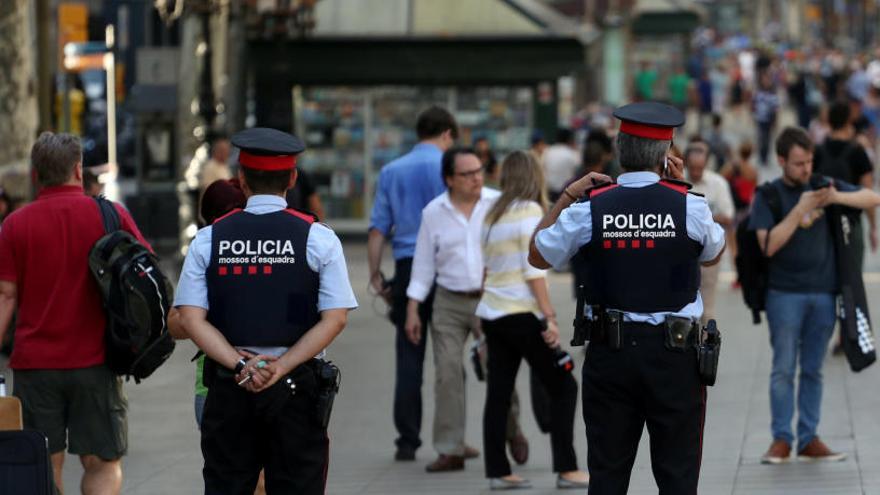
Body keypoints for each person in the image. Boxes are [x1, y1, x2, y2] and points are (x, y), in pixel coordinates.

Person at [529, 102, 726, 494]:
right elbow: (713, 254)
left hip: (610, 355)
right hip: (674, 356)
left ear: (620, 151)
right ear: (667, 154)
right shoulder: (690, 206)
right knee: (678, 475)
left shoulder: (590, 207)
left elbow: (538, 254)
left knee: (608, 474)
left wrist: (568, 194)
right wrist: (680, 189)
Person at [175, 127, 357, 494]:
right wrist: (282, 366)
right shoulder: (318, 238)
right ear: (292, 178)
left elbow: (190, 319)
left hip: (230, 387)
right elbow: (335, 318)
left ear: (241, 179)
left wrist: (240, 365)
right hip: (297, 388)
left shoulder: (209, 239)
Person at [0, 132, 150, 495]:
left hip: (35, 366)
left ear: (36, 175)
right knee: (102, 461)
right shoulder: (110, 215)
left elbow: (5, 296)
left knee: (44, 462)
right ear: (78, 170)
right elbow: (145, 272)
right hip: (97, 362)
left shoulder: (15, 225)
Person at [750, 127, 880, 465]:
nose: (805, 170)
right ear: (781, 161)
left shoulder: (822, 184)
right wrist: (799, 210)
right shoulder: (768, 195)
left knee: (813, 369)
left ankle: (808, 436)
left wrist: (834, 197)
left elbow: (872, 197)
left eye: (808, 162)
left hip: (823, 294)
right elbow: (768, 245)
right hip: (784, 295)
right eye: (797, 164)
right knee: (782, 368)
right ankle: (781, 438)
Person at [477, 151, 589, 491]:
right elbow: (533, 273)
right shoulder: (531, 213)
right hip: (523, 315)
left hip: (493, 314)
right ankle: (567, 468)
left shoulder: (491, 216)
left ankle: (498, 470)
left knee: (499, 394)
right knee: (564, 386)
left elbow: (484, 270)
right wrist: (550, 318)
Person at [367, 106, 458, 461]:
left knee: (409, 356)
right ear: (447, 133)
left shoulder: (392, 170)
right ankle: (452, 437)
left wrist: (376, 274)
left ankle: (407, 439)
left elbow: (378, 229)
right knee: (450, 355)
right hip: (447, 268)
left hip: (407, 269)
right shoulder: (451, 168)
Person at [404, 147, 500, 472]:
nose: (476, 178)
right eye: (467, 173)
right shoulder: (434, 212)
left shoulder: (496, 204)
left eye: (479, 170)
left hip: (490, 299)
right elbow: (423, 264)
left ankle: (510, 430)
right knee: (447, 373)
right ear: (449, 179)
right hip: (448, 300)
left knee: (498, 368)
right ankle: (450, 448)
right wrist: (413, 308)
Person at [813, 100, 877, 264]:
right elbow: (868, 192)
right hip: (850, 220)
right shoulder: (857, 151)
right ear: (849, 121)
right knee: (852, 276)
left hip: (821, 220)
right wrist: (873, 227)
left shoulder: (817, 150)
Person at [684, 143, 735, 325]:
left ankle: (705, 345)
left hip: (708, 252)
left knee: (706, 308)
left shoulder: (718, 184)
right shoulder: (678, 179)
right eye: (693, 168)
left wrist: (700, 217)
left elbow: (728, 217)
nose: (696, 172)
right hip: (682, 252)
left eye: (700, 168)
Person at [720, 141, 759, 285]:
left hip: (734, 209)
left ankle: (739, 275)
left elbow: (720, 179)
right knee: (745, 243)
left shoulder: (733, 167)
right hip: (747, 209)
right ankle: (746, 274)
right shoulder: (753, 170)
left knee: (733, 245)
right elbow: (755, 190)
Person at [543, 128, 580, 202]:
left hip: (549, 192)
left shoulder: (548, 151)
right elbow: (578, 167)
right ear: (569, 139)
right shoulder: (572, 153)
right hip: (566, 193)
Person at [754, 72, 781, 167]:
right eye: (764, 79)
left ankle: (765, 156)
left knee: (767, 138)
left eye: (767, 80)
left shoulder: (772, 93)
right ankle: (761, 156)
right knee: (761, 137)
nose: (766, 82)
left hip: (769, 119)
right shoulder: (759, 92)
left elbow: (776, 108)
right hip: (760, 118)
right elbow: (754, 104)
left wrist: (776, 121)